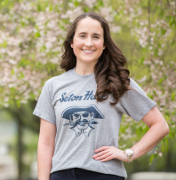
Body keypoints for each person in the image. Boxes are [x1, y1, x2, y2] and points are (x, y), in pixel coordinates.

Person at [33, 12, 169, 180]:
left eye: (96, 37)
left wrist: (129, 153)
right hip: (62, 175)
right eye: (82, 36)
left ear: (104, 44)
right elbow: (46, 143)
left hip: (105, 175)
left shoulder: (118, 82)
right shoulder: (53, 86)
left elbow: (160, 125)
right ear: (72, 43)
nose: (89, 43)